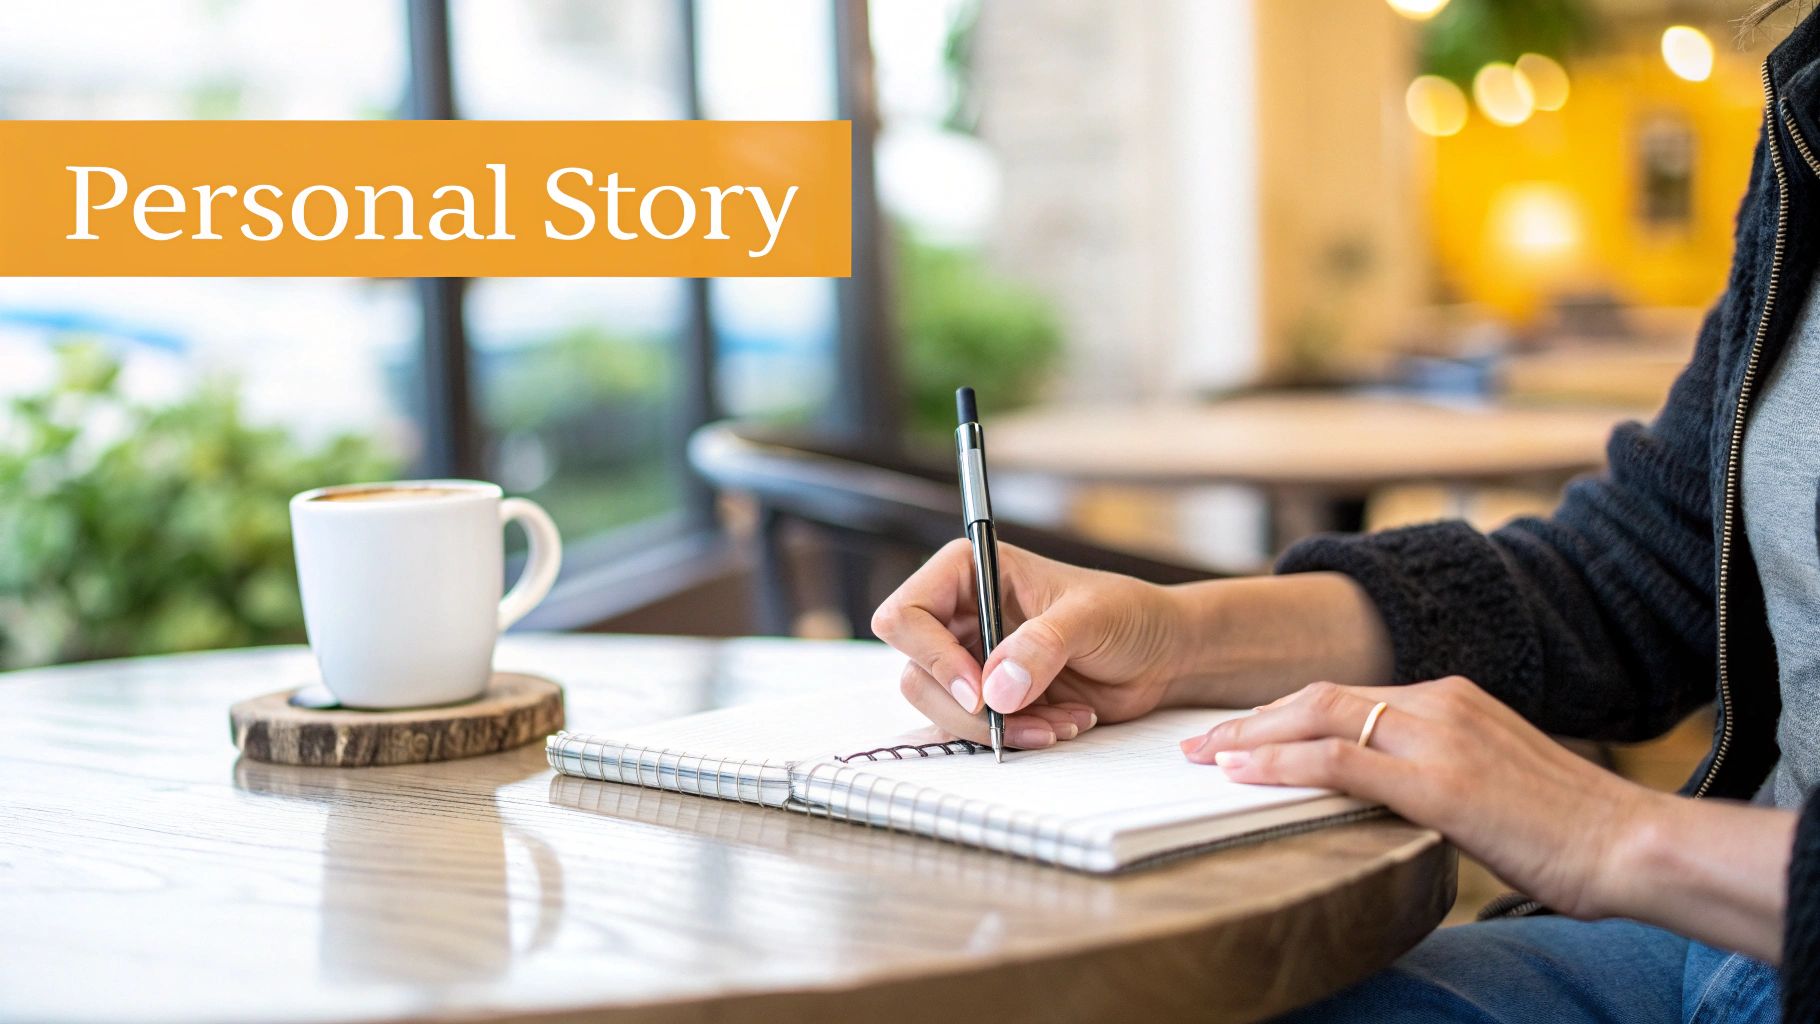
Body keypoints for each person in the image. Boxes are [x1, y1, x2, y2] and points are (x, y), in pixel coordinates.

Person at [869, 4, 1820, 1021]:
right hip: (1708, 945)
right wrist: (1176, 632)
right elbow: (1642, 572)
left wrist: (1610, 834)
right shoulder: (1806, 111)